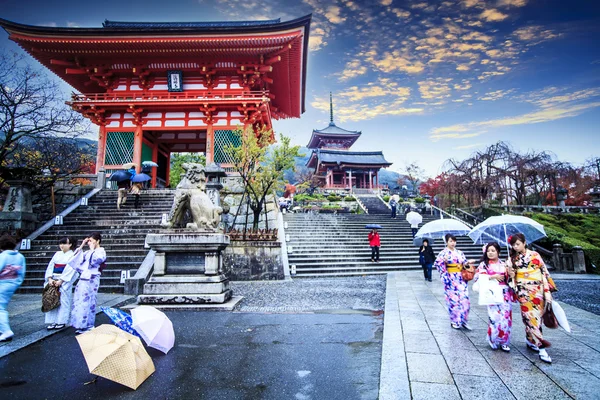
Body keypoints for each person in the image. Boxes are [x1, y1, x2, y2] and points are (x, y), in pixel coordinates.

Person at [507, 233, 556, 363]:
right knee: (530, 317)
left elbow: (544, 272)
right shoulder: (512, 259)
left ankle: (530, 339)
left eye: (518, 244)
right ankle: (541, 347)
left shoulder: (535, 255)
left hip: (538, 290)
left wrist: (547, 291)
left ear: (524, 243)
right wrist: (511, 274)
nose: (515, 247)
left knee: (537, 318)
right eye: (513, 245)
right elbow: (511, 280)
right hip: (523, 292)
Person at [475, 242, 514, 352]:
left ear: (498, 252)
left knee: (506, 318)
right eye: (488, 251)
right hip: (491, 292)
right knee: (494, 318)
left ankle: (505, 341)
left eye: (493, 251)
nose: (490, 253)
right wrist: (492, 276)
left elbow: (510, 280)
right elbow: (478, 277)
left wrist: (511, 273)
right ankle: (493, 339)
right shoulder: (484, 265)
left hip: (504, 293)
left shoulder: (505, 264)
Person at [68, 232, 106, 334]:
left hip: (92, 279)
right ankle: (80, 324)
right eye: (88, 240)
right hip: (84, 278)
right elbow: (74, 260)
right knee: (80, 301)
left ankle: (89, 324)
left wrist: (93, 250)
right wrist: (82, 245)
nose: (90, 242)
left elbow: (96, 261)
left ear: (97, 241)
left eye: (91, 240)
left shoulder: (100, 251)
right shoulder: (87, 252)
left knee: (89, 301)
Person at [434, 234, 473, 330]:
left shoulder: (460, 252)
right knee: (454, 301)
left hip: (461, 279)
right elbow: (437, 264)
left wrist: (467, 263)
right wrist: (444, 261)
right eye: (451, 241)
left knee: (465, 300)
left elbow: (464, 263)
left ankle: (464, 320)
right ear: (446, 242)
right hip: (450, 279)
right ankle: (455, 321)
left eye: (454, 241)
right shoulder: (443, 253)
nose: (453, 243)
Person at [44, 237, 78, 330]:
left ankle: (61, 321)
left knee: (63, 301)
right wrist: (50, 278)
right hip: (54, 279)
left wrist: (61, 281)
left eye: (64, 243)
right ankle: (53, 321)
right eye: (60, 244)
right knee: (52, 299)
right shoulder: (57, 254)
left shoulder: (72, 255)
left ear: (70, 244)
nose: (61, 246)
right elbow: (50, 266)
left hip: (63, 281)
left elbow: (71, 269)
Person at [0, 234, 26, 342]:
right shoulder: (20, 257)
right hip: (12, 283)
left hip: (2, 284)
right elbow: (21, 273)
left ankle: (6, 330)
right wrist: (16, 282)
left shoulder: (3, 256)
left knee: (0, 308)